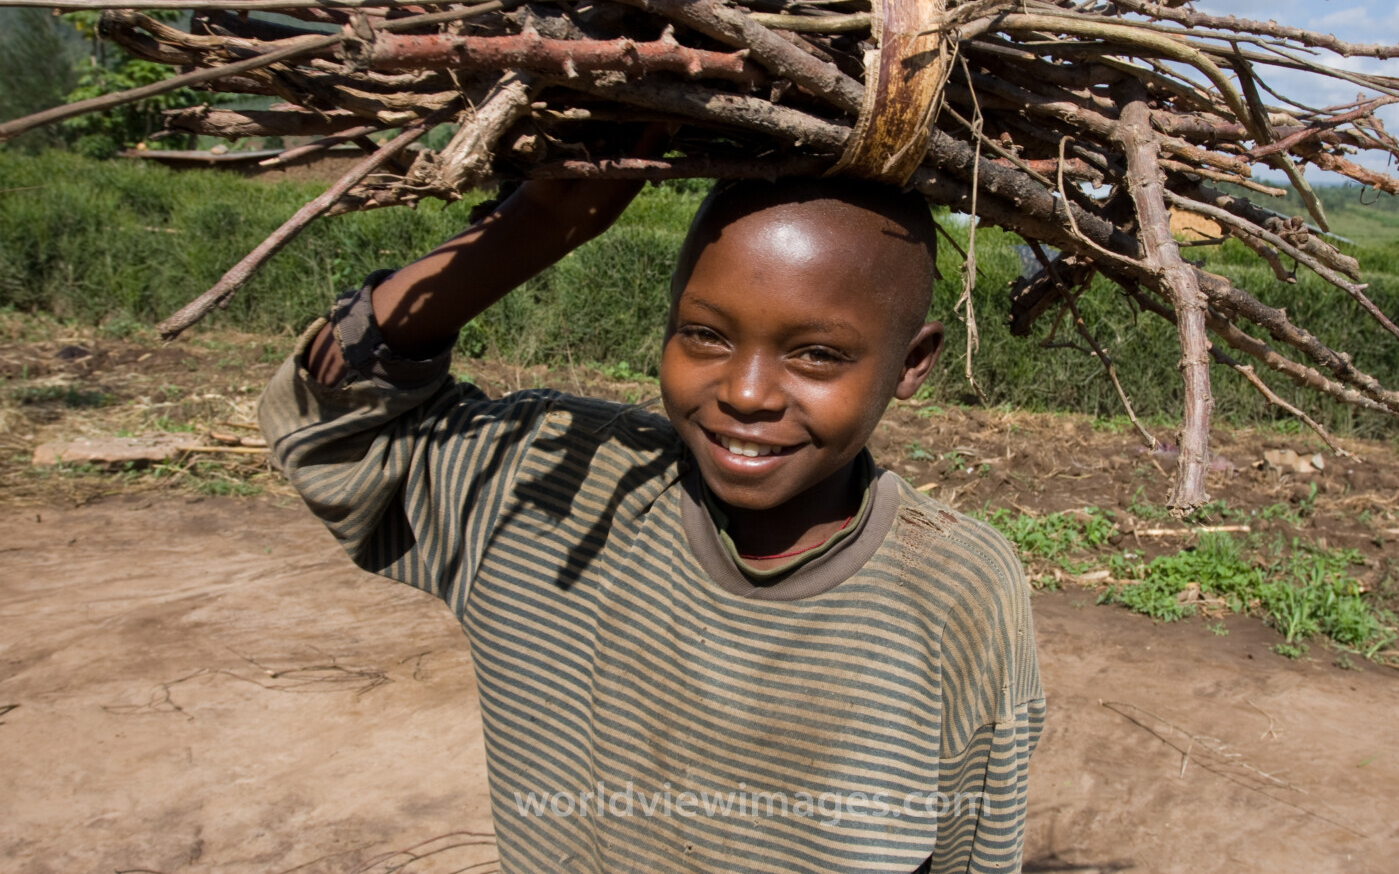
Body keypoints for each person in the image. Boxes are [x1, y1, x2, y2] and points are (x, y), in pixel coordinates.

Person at [259, 163, 1044, 874]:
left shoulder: (953, 589)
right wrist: (531, 229)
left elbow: (975, 853)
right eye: (704, 334)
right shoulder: (557, 489)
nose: (746, 391)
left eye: (816, 355)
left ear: (913, 361)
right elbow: (335, 425)